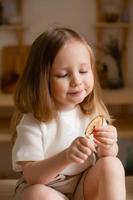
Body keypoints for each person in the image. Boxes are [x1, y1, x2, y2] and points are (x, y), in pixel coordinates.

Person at [11, 26, 126, 200]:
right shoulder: (32, 122)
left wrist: (109, 145)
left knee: (112, 164)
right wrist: (66, 156)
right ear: (42, 81)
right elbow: (33, 177)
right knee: (36, 195)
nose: (77, 81)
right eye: (63, 74)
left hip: (83, 183)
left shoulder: (91, 111)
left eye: (83, 71)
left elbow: (105, 155)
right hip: (45, 187)